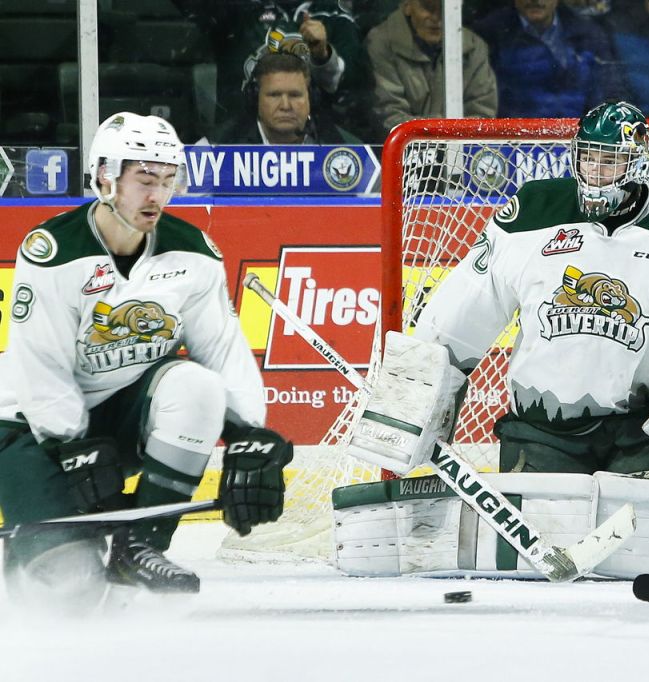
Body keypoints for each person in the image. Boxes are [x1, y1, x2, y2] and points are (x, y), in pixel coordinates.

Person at [0, 112, 292, 612]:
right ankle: (37, 551)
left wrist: (249, 435)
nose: (157, 195)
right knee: (69, 588)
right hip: (28, 428)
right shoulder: (53, 251)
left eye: (166, 181)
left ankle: (141, 545)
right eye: (144, 181)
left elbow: (221, 348)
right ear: (104, 177)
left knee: (197, 386)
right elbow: (39, 364)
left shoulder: (193, 252)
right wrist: (73, 446)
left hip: (118, 417)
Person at [410, 101, 649, 475]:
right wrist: (413, 406)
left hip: (640, 437)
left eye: (609, 161)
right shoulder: (533, 212)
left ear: (639, 164)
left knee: (642, 533)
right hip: (541, 433)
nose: (595, 173)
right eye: (587, 158)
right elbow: (460, 318)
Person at [172, 0, 371, 137]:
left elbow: (357, 84)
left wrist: (323, 55)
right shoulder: (235, 9)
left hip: (317, 143)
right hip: (238, 143)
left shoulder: (334, 14)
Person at [365, 0, 497, 136]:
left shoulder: (474, 48)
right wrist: (444, 132)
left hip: (461, 152)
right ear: (408, 6)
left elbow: (482, 114)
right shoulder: (381, 43)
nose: (436, 18)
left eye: (443, 9)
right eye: (427, 7)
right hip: (399, 152)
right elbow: (388, 113)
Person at [473, 0, 623, 118]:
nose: (535, 0)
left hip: (580, 140)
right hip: (515, 145)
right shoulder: (489, 36)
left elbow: (609, 91)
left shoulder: (587, 34)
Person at [211, 52, 363, 144]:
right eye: (274, 95)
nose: (285, 105)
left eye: (295, 95)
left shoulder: (346, 147)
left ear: (311, 98)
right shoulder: (217, 146)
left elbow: (376, 193)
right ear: (255, 98)